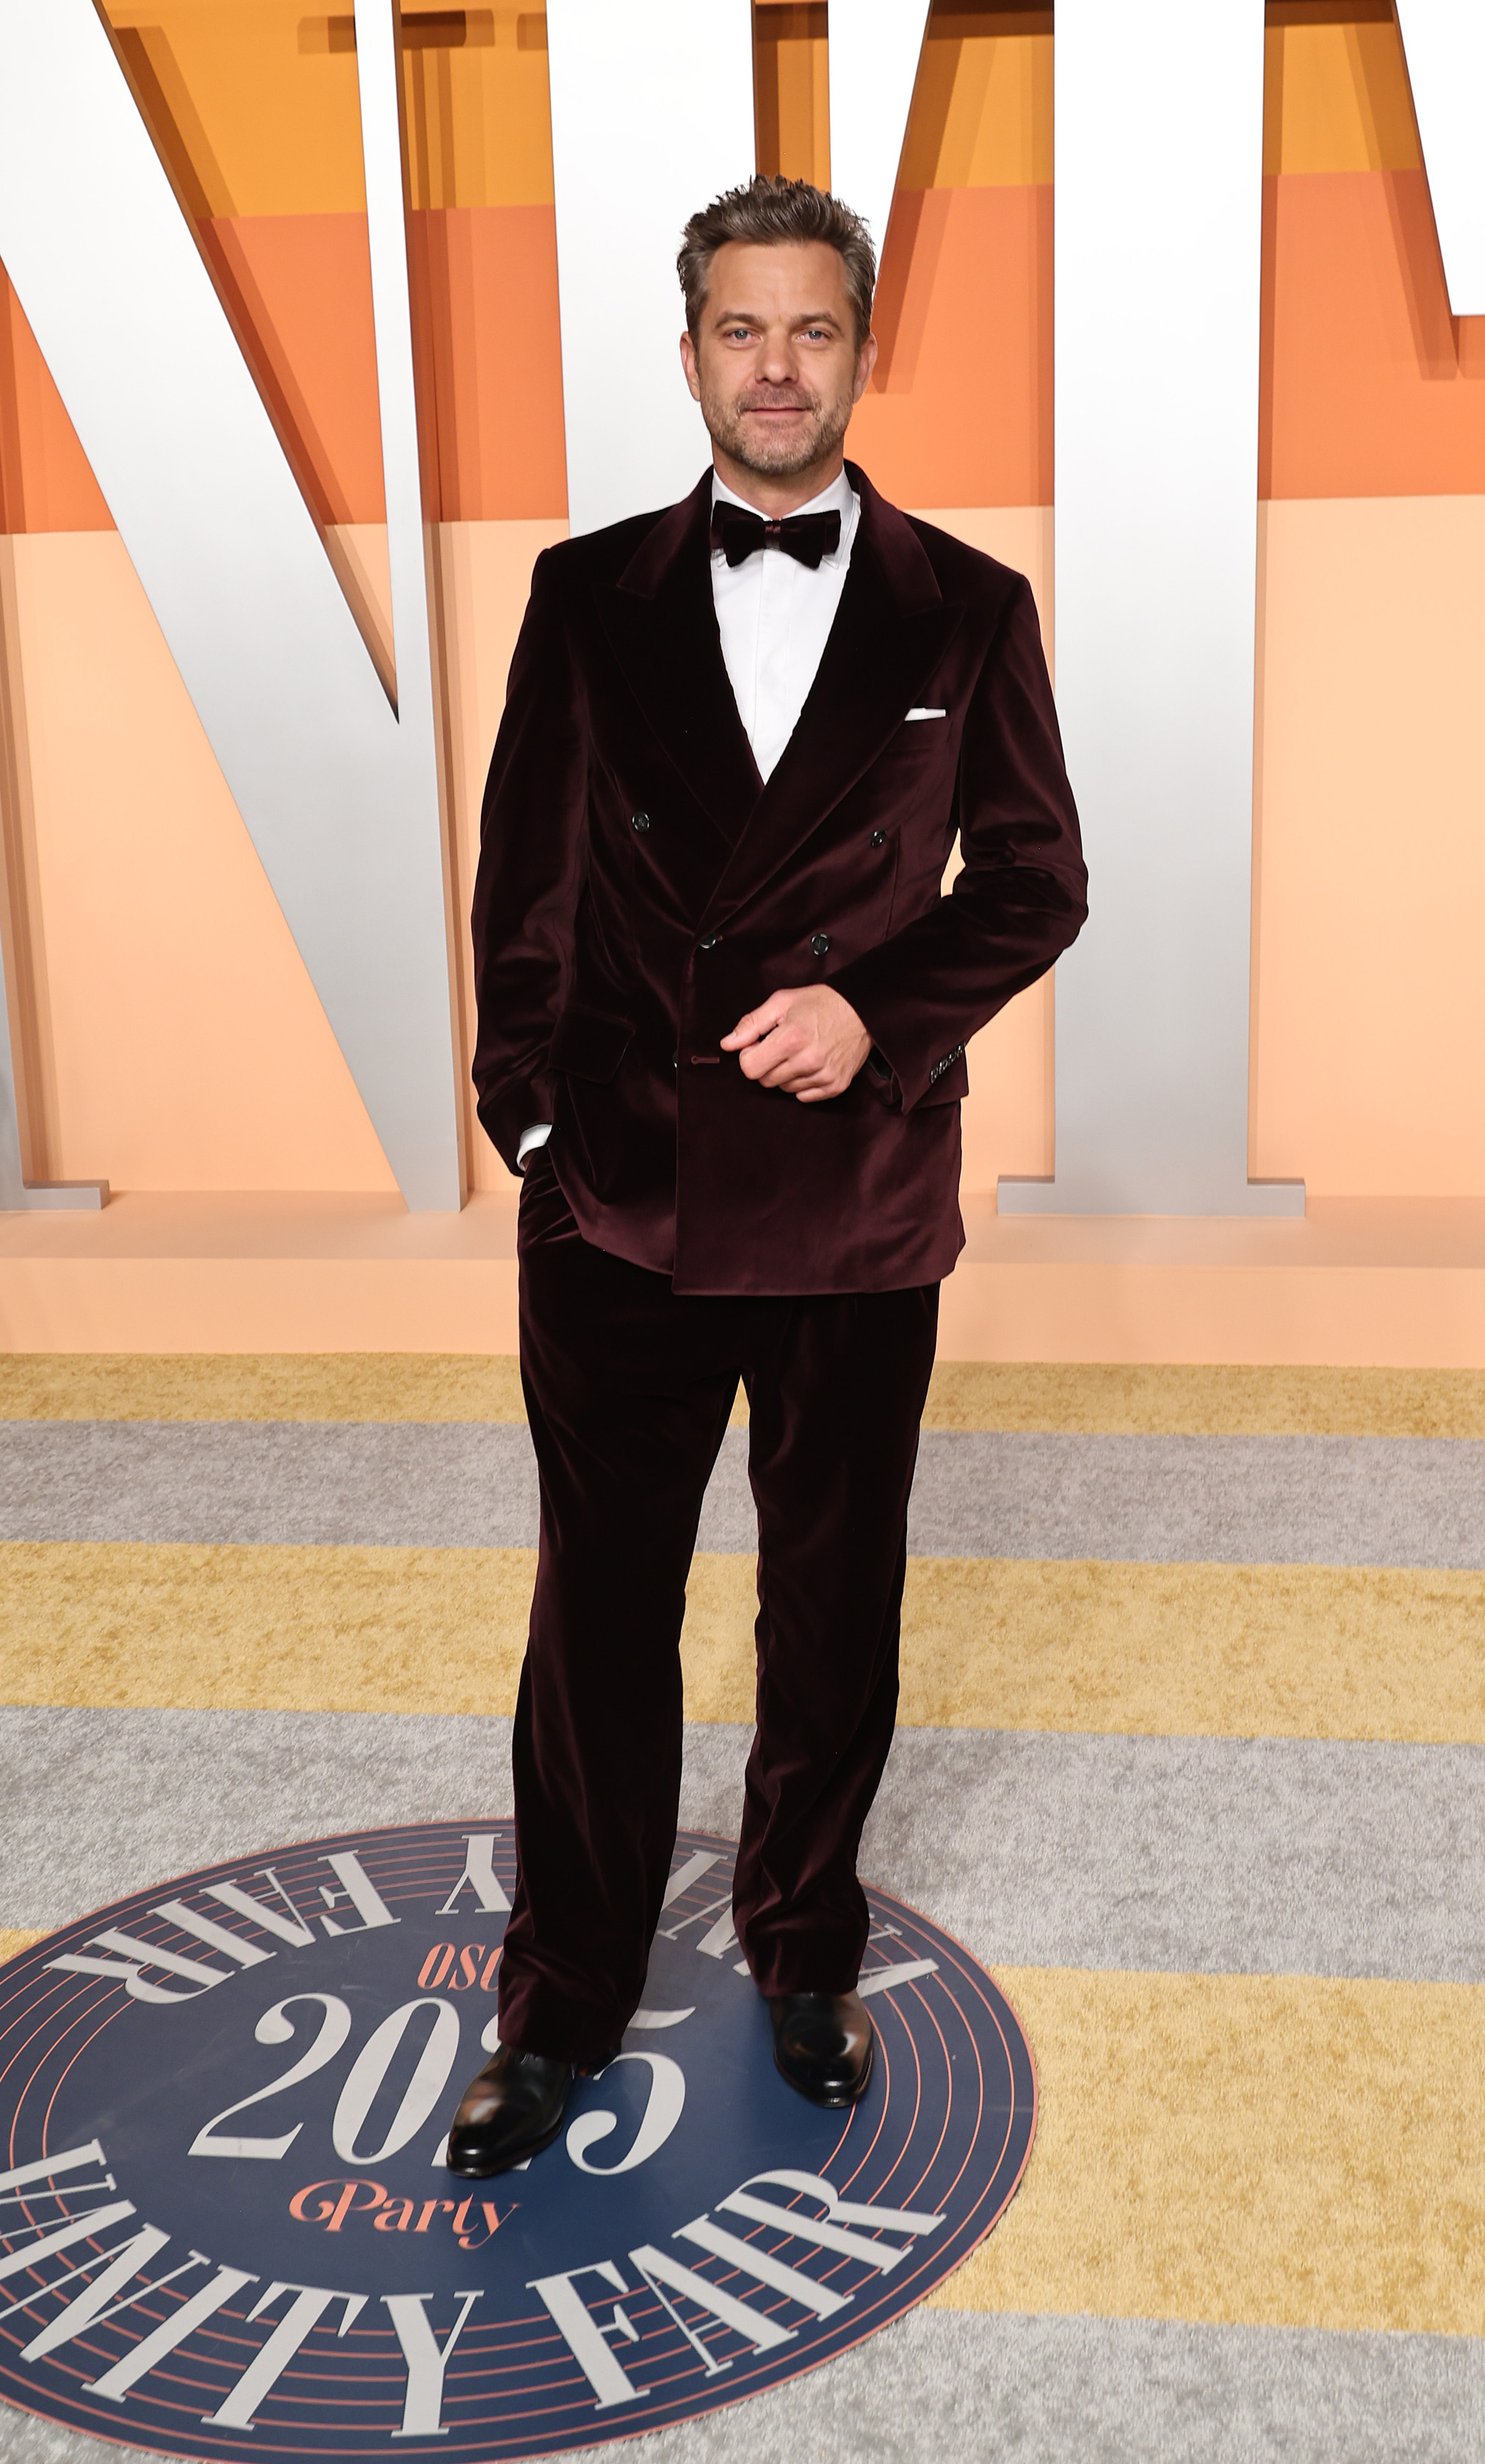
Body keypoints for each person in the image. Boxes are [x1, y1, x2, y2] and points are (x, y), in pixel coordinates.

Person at [447, 175, 1086, 2177]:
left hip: (853, 1200)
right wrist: (542, 1131)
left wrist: (872, 1017)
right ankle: (558, 1998)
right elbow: (522, 892)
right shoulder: (587, 594)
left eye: (813, 330)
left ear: (860, 347)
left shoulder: (965, 610)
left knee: (834, 1606)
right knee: (597, 1618)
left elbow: (1040, 880)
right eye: (744, 329)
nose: (779, 365)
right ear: (693, 349)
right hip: (622, 1204)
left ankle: (802, 1942)